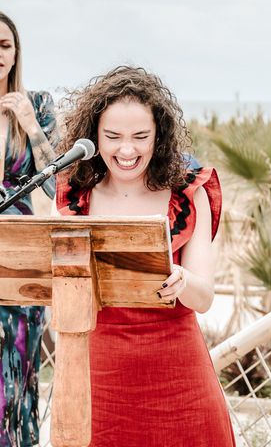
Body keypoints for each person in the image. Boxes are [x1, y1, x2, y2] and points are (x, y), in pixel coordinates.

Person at [54, 66, 235, 446]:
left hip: (178, 373)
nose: (127, 150)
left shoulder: (188, 190)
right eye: (112, 137)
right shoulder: (73, 194)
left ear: (160, 136)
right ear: (92, 137)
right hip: (98, 374)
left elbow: (204, 298)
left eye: (141, 137)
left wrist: (183, 281)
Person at [0, 11, 59, 446]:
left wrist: (29, 124)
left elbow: (57, 181)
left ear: (16, 52)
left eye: (4, 45)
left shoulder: (37, 105)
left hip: (23, 259)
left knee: (18, 372)